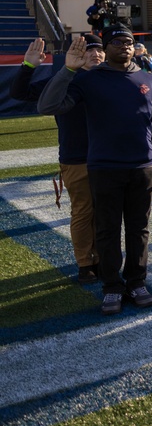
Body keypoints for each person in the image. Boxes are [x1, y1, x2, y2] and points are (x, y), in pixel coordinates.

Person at [37, 26, 152, 315]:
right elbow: (48, 105)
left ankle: (136, 281)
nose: (125, 46)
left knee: (139, 230)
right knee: (107, 230)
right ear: (106, 48)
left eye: (130, 42)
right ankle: (111, 286)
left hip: (142, 167)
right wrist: (68, 71)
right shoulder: (89, 80)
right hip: (104, 167)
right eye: (117, 41)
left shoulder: (150, 80)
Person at [12, 36, 105, 283]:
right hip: (77, 158)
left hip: (109, 157)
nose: (95, 54)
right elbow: (19, 92)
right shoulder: (62, 80)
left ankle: (104, 258)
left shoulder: (112, 78)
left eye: (99, 49)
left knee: (107, 212)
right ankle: (86, 263)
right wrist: (28, 66)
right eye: (88, 50)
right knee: (83, 212)